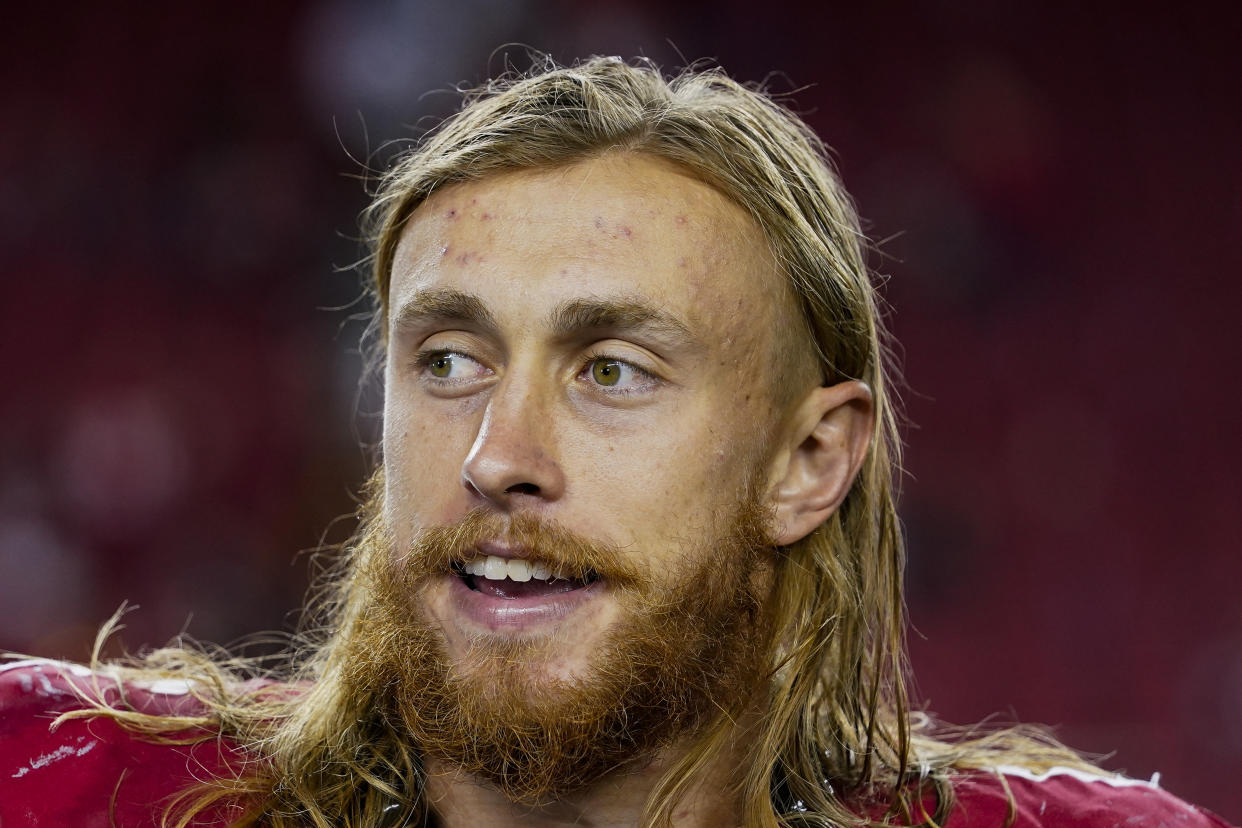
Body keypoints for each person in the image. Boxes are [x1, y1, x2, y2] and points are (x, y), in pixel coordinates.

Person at [0, 56, 1232, 828]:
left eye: (613, 372)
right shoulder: (50, 783)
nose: (496, 451)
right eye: (448, 361)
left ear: (810, 463)